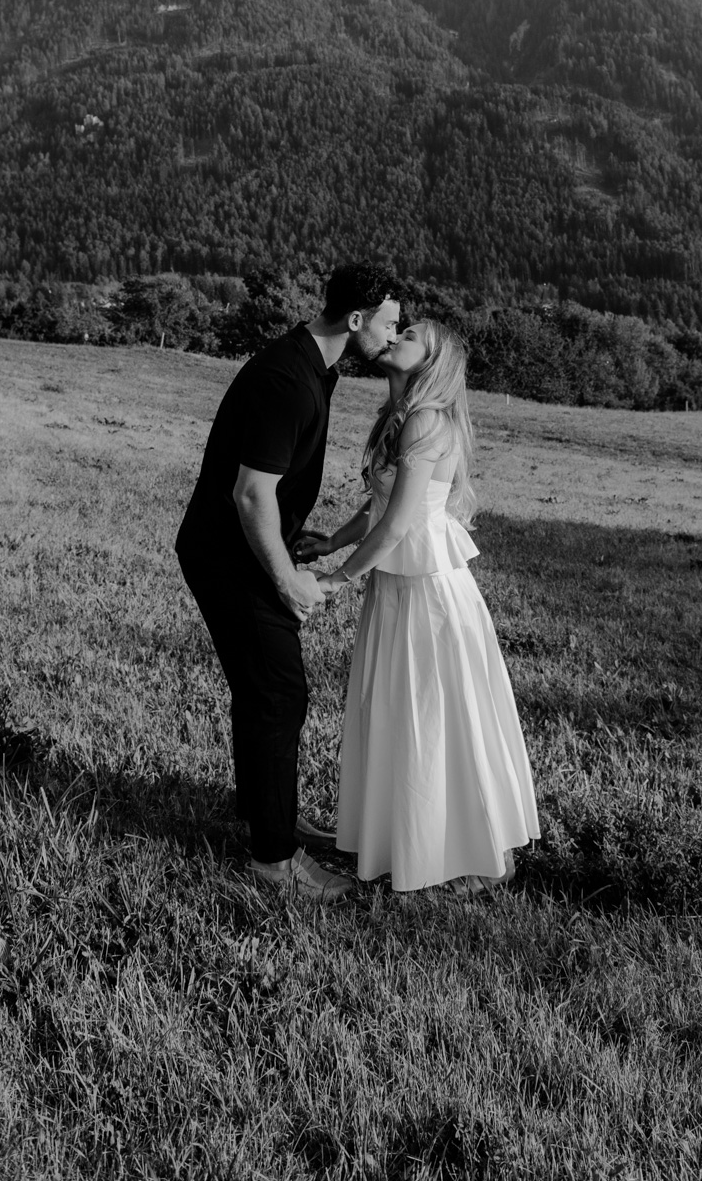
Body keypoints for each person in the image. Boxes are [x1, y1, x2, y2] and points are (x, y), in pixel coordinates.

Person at [175, 264, 400, 901]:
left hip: (242, 550)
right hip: (232, 556)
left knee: (265, 690)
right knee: (279, 691)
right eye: (388, 323)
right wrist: (288, 580)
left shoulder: (313, 366)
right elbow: (251, 494)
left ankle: (266, 818)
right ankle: (275, 860)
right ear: (355, 321)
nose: (394, 335)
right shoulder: (288, 379)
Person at [310, 319, 539, 892]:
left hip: (428, 590)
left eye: (408, 334)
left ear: (430, 361)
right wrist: (333, 540)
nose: (395, 336)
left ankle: (473, 855)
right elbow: (377, 505)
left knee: (435, 716)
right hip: (396, 586)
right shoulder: (398, 417)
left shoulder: (427, 421)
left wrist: (338, 578)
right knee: (398, 711)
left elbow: (395, 526)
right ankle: (407, 841)